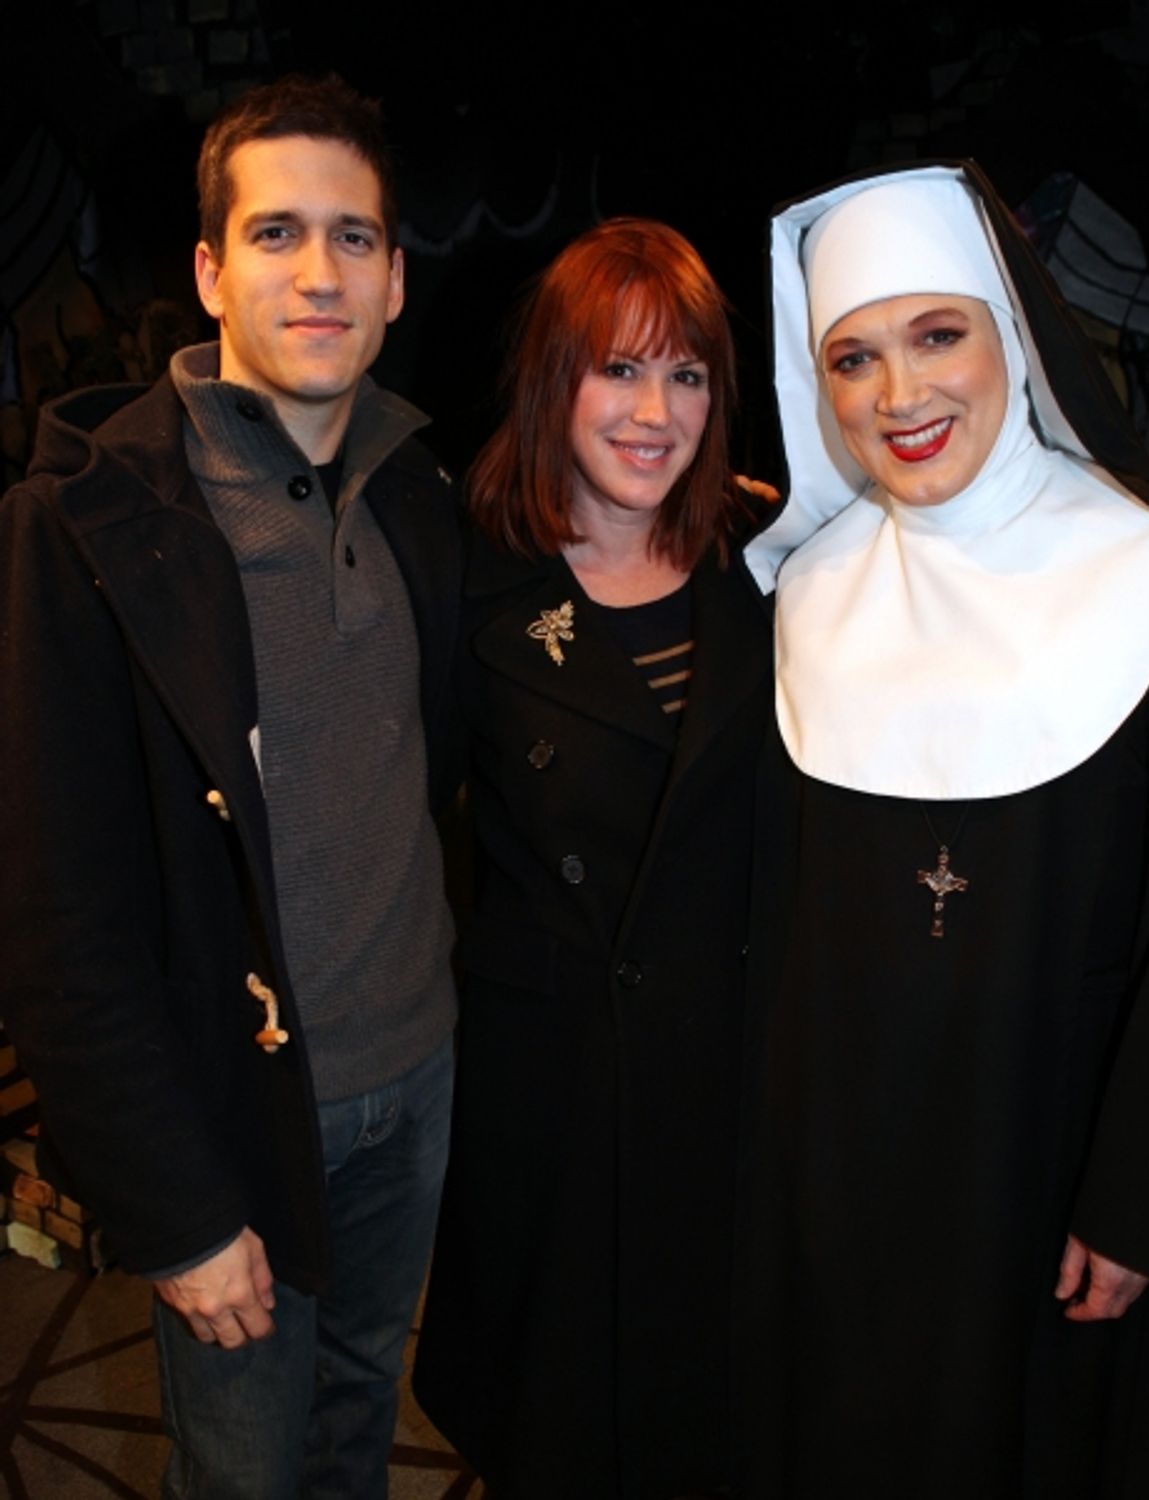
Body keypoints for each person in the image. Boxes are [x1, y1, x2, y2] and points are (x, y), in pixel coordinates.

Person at [0, 75, 461, 1499]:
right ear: (210, 271)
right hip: (239, 1121)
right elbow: (54, 918)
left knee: (355, 1443)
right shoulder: (83, 526)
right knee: (248, 1476)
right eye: (275, 235)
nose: (317, 273)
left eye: (355, 238)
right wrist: (174, 1210)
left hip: (417, 1087)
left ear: (394, 280)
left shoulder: (417, 494)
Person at [737, 161, 1149, 1498]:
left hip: (1049, 1181)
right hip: (826, 1189)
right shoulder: (796, 599)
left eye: (937, 335)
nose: (900, 397)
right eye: (851, 359)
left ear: (1010, 330)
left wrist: (1139, 1205)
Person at [412, 218, 771, 1500]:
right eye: (617, 369)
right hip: (549, 1085)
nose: (652, 411)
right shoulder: (466, 574)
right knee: (555, 1425)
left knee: (713, 1420)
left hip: (731, 1081)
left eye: (686, 374)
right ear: (552, 378)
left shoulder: (771, 559)